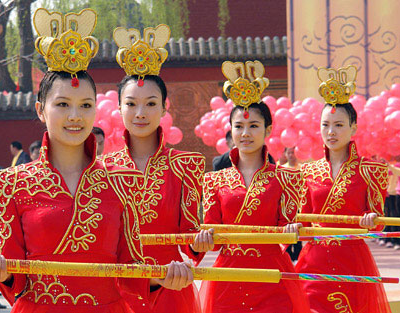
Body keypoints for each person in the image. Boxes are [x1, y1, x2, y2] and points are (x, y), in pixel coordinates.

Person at [0, 8, 193, 313]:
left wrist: (163, 279)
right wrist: (0, 271)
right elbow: (17, 281)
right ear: (41, 110)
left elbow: (130, 272)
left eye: (85, 105)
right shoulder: (10, 183)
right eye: (62, 104)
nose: (75, 116)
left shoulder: (123, 183)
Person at [102, 24, 213, 313]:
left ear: (164, 108)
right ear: (119, 108)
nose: (141, 113)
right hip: (117, 287)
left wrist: (199, 242)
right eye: (131, 104)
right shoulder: (101, 170)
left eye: (151, 103)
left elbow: (189, 237)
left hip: (170, 283)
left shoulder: (185, 166)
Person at [201, 60, 310, 313]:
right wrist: (204, 238)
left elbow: (288, 230)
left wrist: (294, 228)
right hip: (229, 276)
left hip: (271, 274)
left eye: (253, 126)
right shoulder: (214, 180)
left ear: (268, 130)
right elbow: (213, 237)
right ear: (231, 130)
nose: (245, 133)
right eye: (238, 126)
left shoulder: (286, 178)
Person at [295, 65, 390, 313]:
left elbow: (378, 221)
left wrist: (372, 219)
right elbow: (303, 218)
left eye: (338, 125)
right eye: (326, 125)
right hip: (314, 259)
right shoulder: (308, 171)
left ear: (353, 127)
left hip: (352, 259)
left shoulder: (371, 169)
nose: (331, 131)